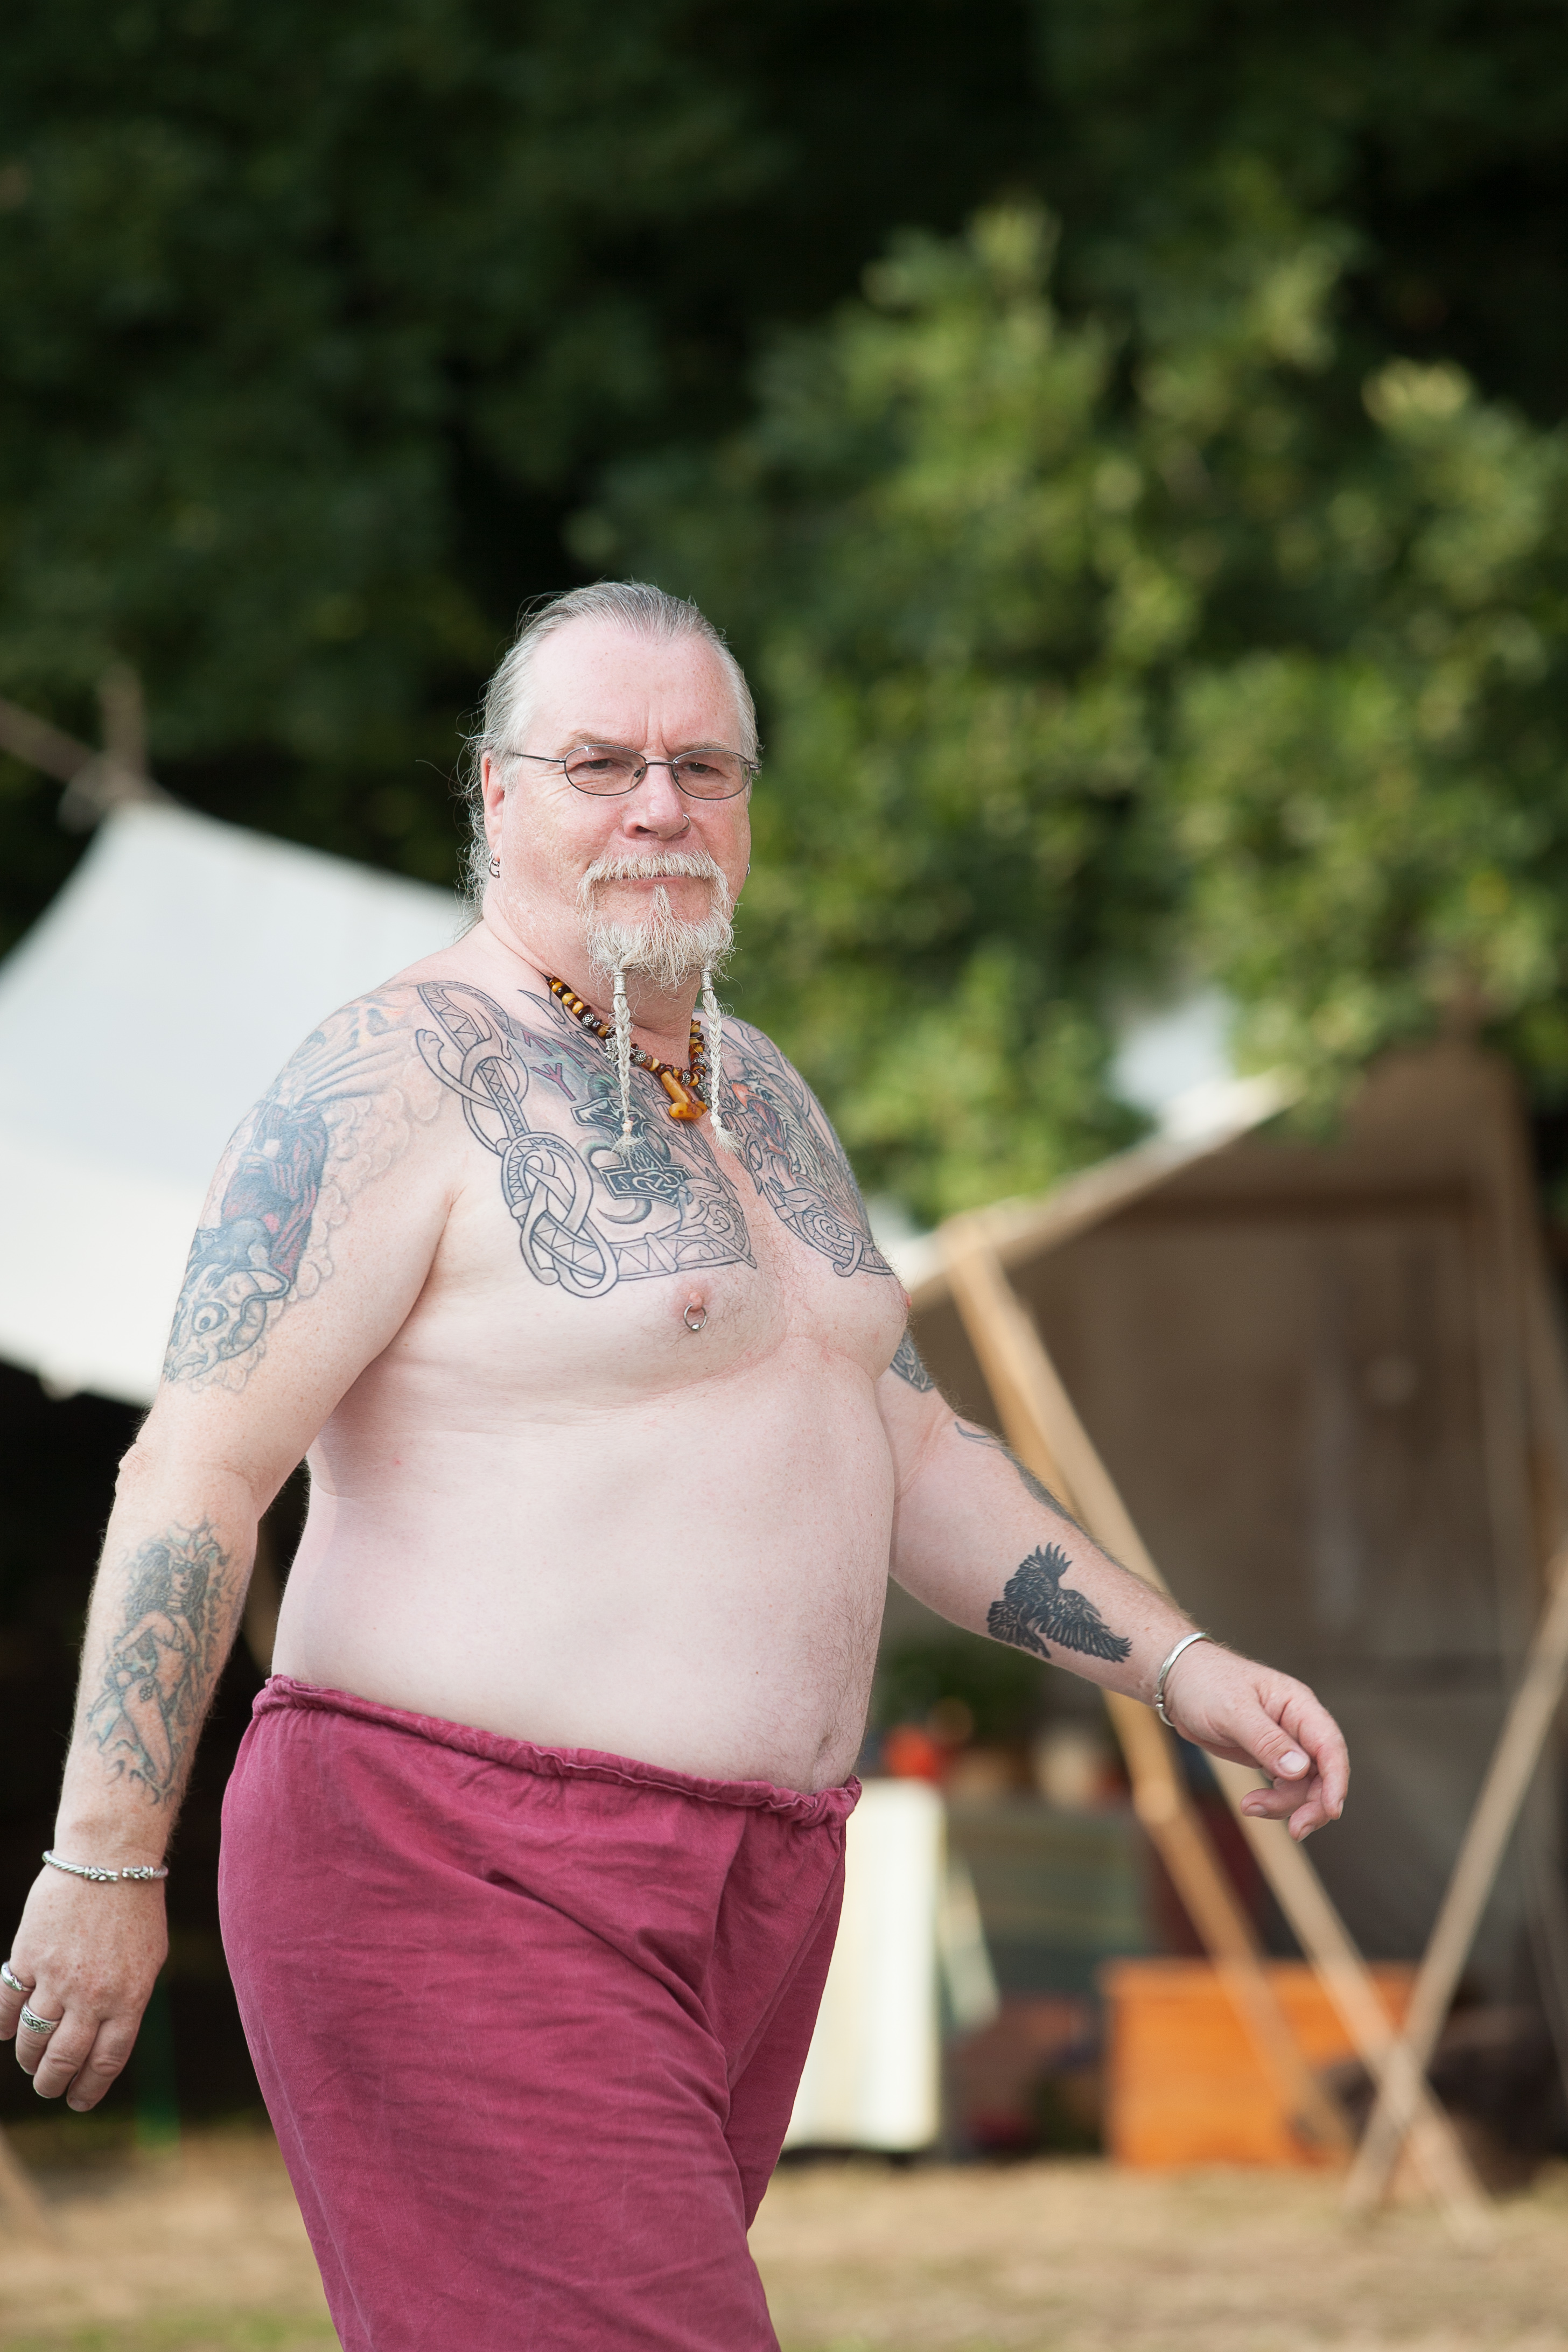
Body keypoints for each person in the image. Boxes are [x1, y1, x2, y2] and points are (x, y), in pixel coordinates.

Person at [1, 583, 1347, 2350]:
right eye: (603, 764)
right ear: (497, 794)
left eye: (704, 768)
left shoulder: (761, 1092)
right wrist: (105, 1861)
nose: (659, 805)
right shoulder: (391, 1076)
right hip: (455, 1859)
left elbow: (904, 1441)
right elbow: (194, 1471)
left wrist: (1181, 1666)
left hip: (753, 1886)